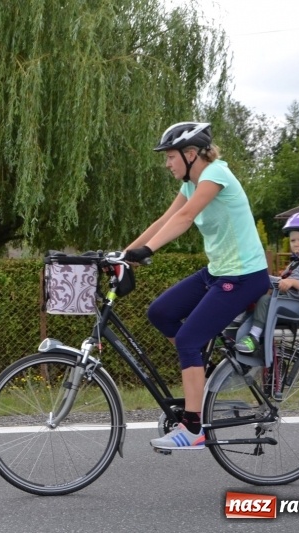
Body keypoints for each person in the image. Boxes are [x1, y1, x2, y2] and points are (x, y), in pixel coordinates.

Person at [115, 121, 270, 451]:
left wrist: (148, 252)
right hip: (219, 272)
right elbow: (166, 219)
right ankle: (202, 370)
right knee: (161, 312)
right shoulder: (191, 184)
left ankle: (194, 427)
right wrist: (125, 254)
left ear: (191, 154)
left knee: (187, 339)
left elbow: (185, 219)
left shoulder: (216, 175)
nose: (167, 163)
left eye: (170, 157)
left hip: (243, 276)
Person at [234, 212, 299, 355]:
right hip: (284, 301)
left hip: (293, 305)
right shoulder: (296, 263)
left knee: (264, 300)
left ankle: (253, 337)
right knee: (253, 294)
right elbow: (281, 280)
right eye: (293, 240)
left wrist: (292, 282)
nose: (296, 244)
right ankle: (237, 327)